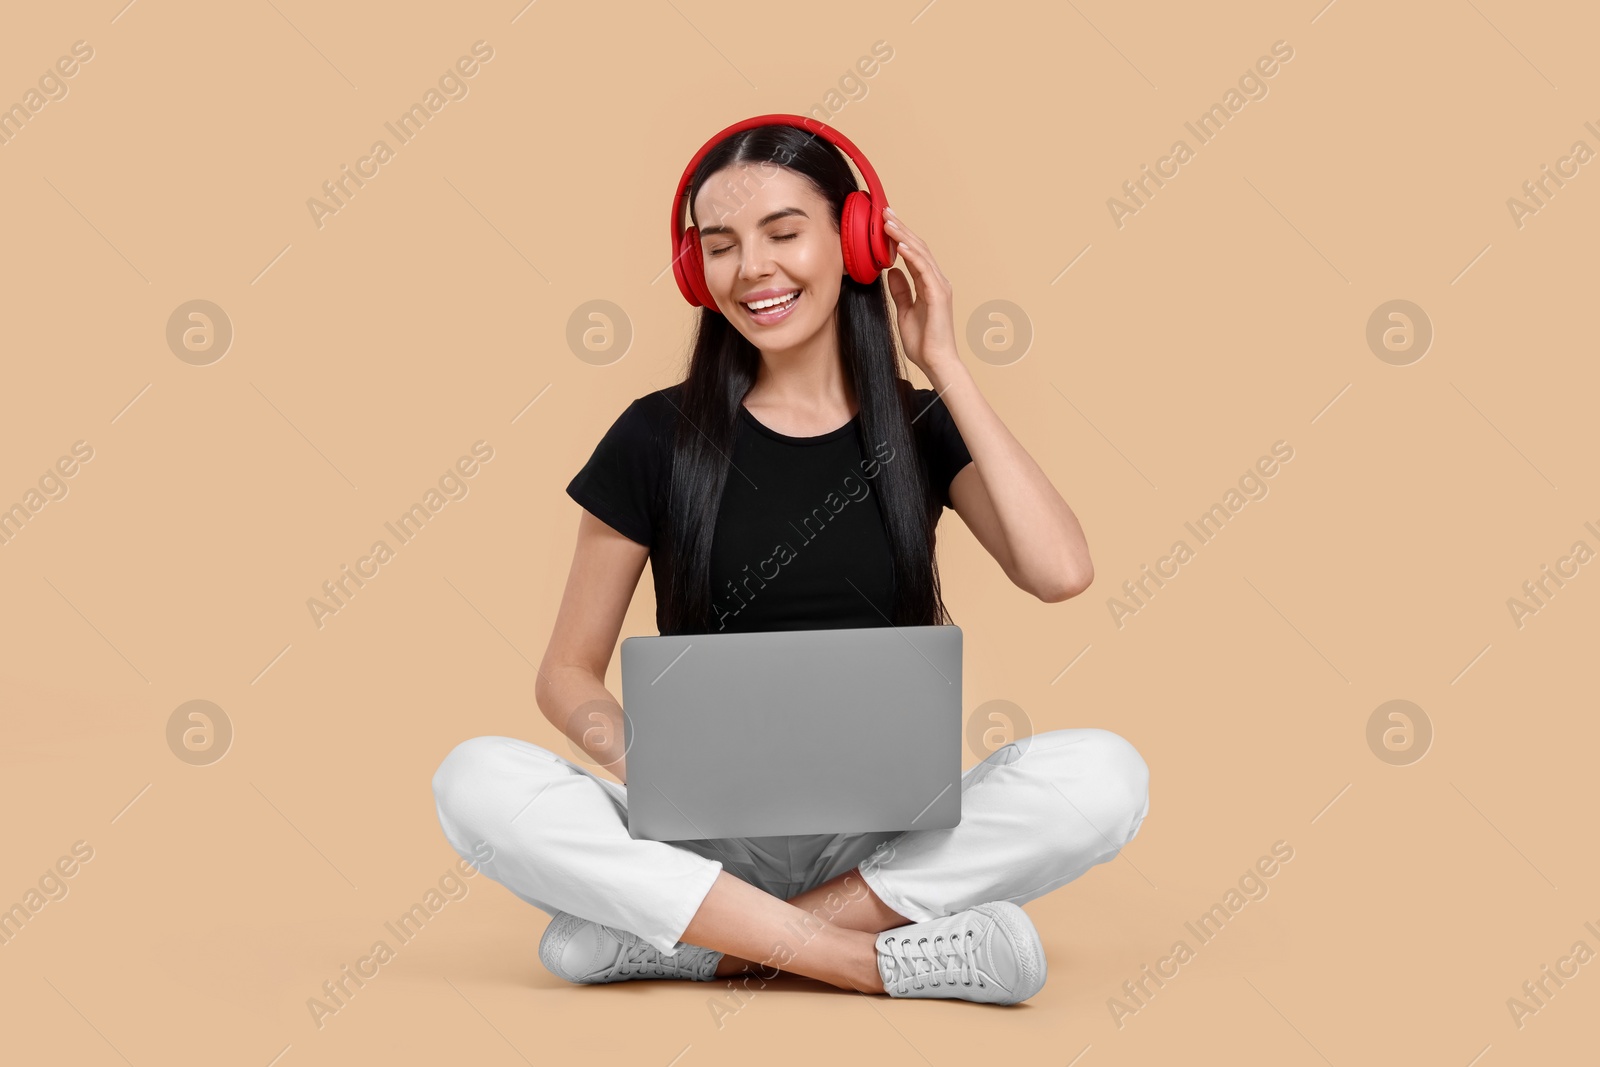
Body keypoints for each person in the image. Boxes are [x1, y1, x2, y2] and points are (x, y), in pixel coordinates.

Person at [431, 119, 1149, 1005]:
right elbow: (565, 673)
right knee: (473, 779)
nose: (752, 270)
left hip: (879, 847)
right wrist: (656, 772)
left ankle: (707, 941)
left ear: (852, 239)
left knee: (1106, 775)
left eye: (783, 232)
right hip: (698, 839)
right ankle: (861, 959)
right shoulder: (654, 435)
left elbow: (1060, 571)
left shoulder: (920, 428)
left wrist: (945, 363)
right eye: (722, 246)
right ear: (697, 273)